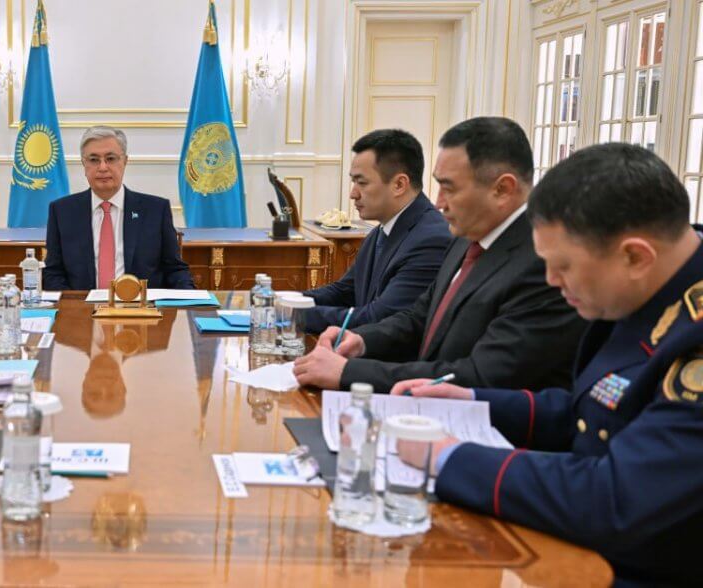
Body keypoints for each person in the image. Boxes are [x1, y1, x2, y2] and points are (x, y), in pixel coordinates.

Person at [393, 143, 703, 586]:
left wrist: (448, 458)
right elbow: (593, 412)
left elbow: (616, 499)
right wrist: (473, 402)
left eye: (563, 266)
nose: (552, 281)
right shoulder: (650, 288)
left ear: (635, 256)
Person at [293, 117, 585, 393]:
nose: (438, 202)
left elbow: (481, 375)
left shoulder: (542, 264)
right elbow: (419, 318)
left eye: (449, 188)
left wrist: (349, 372)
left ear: (503, 189)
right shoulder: (464, 239)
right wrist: (361, 340)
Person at [300, 129, 451, 333]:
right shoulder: (381, 230)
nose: (353, 194)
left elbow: (379, 318)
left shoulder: (431, 240)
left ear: (399, 184)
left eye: (362, 183)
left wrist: (293, 315)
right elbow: (345, 291)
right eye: (353, 182)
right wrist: (284, 300)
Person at [43, 125, 194, 290]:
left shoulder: (156, 211)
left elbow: (175, 270)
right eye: (94, 160)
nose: (102, 167)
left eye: (110, 158)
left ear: (125, 161)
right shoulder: (62, 212)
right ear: (83, 164)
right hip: (82, 304)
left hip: (141, 304)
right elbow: (53, 273)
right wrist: (73, 304)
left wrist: (192, 299)